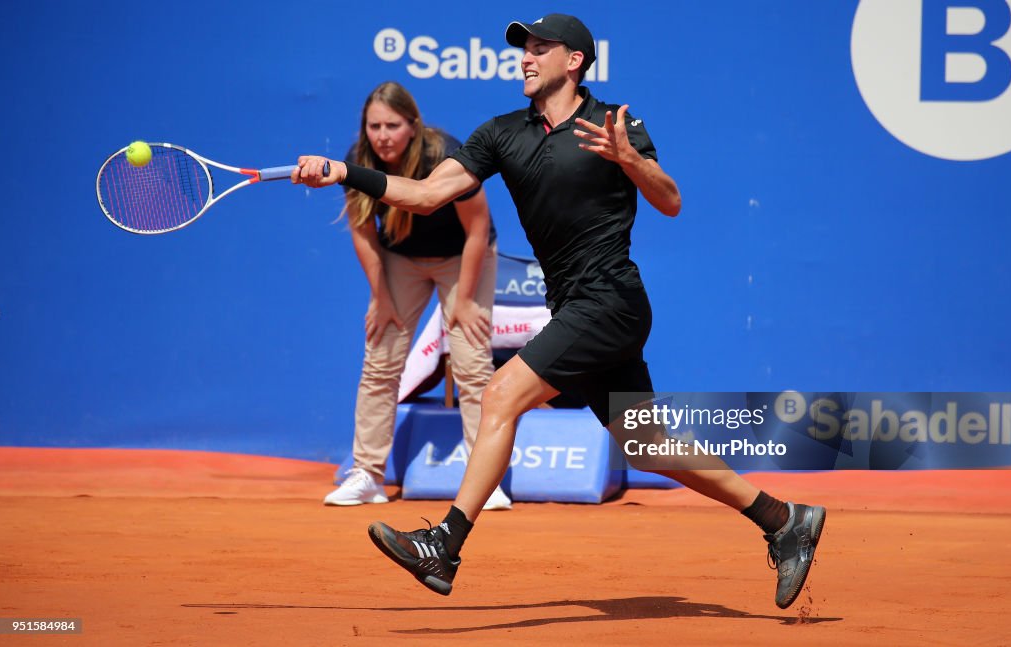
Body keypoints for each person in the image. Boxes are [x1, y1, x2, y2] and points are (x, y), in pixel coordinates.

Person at [293, 15, 825, 609]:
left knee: (500, 393)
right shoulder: (500, 134)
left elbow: (670, 201)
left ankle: (445, 543)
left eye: (540, 48)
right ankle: (784, 519)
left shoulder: (614, 122)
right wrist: (345, 172)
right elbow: (424, 195)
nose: (526, 57)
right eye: (524, 48)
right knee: (645, 444)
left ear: (573, 61)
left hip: (612, 299)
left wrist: (630, 159)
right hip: (575, 303)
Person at [321, 81, 512, 512]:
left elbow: (478, 228)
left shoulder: (445, 154)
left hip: (462, 255)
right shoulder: (357, 160)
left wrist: (463, 300)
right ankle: (367, 476)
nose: (382, 135)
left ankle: (485, 482)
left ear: (413, 125)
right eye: (374, 126)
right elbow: (363, 232)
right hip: (401, 259)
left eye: (392, 125)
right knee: (380, 360)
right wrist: (380, 296)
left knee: (471, 363)